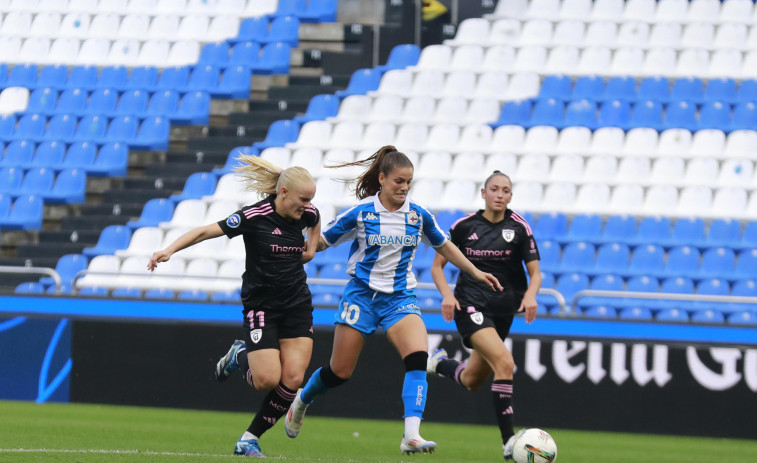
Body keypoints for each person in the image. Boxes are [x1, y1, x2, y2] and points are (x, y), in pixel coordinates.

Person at [282, 145, 503, 454]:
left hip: (400, 297)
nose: (404, 187)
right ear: (383, 179)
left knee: (417, 357)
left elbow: (445, 246)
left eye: (408, 181)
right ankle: (303, 399)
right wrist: (292, 247)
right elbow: (323, 242)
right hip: (361, 297)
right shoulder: (361, 213)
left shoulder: (418, 215)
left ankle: (411, 434)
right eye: (399, 181)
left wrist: (475, 271)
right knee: (339, 372)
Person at [147, 155, 321, 458]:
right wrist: (169, 250)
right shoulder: (254, 216)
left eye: (310, 200)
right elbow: (204, 231)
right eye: (303, 199)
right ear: (283, 193)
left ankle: (249, 439)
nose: (307, 206)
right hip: (262, 306)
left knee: (293, 379)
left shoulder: (308, 213)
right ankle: (239, 354)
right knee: (266, 380)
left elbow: (314, 224)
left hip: (297, 304)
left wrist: (311, 248)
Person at [425, 170, 541, 460]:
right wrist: (448, 295)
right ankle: (508, 442)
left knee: (472, 380)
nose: (500, 195)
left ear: (510, 196)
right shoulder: (464, 226)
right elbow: (437, 266)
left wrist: (530, 295)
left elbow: (535, 273)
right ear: (484, 193)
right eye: (495, 189)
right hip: (471, 305)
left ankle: (440, 365)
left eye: (506, 191)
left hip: (503, 312)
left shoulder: (520, 227)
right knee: (505, 362)